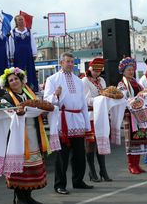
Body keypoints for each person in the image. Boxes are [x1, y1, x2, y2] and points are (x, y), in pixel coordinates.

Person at [44, 52, 93, 195]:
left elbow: (83, 103)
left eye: (72, 62)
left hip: (77, 120)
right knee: (62, 155)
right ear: (61, 63)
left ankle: (78, 181)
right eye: (67, 61)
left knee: (79, 154)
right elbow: (47, 101)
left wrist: (86, 123)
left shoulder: (78, 80)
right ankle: (59, 184)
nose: (70, 64)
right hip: (62, 121)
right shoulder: (52, 79)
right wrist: (56, 95)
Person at [0, 67, 48, 204]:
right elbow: (9, 114)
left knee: (31, 168)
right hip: (17, 139)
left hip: (33, 136)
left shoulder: (31, 96)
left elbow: (38, 109)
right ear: (8, 84)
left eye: (16, 79)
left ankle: (28, 196)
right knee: (19, 169)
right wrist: (18, 113)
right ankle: (20, 198)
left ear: (21, 81)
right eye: (11, 80)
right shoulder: (6, 99)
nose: (14, 82)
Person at [117, 57, 147, 174]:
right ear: (123, 71)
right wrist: (138, 98)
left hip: (140, 114)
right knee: (131, 141)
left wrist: (145, 94)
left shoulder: (136, 83)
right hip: (130, 116)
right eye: (129, 70)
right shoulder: (122, 84)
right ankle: (131, 165)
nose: (131, 72)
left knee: (140, 140)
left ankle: (137, 164)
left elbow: (143, 93)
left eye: (132, 69)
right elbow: (123, 98)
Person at [82, 58, 112, 182]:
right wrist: (101, 99)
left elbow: (105, 94)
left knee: (101, 142)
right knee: (90, 143)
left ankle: (103, 170)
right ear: (90, 69)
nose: (97, 72)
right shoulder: (84, 81)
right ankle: (92, 171)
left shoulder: (102, 80)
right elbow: (86, 99)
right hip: (90, 115)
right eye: (95, 70)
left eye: (99, 70)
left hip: (101, 115)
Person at [9, 15, 38, 92]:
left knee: (30, 70)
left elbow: (33, 42)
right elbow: (11, 44)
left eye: (22, 20)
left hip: (28, 53)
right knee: (19, 71)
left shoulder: (29, 31)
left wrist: (34, 53)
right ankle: (20, 89)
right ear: (16, 22)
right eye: (19, 20)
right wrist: (11, 55)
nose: (21, 21)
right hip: (18, 55)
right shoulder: (13, 32)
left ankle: (32, 89)